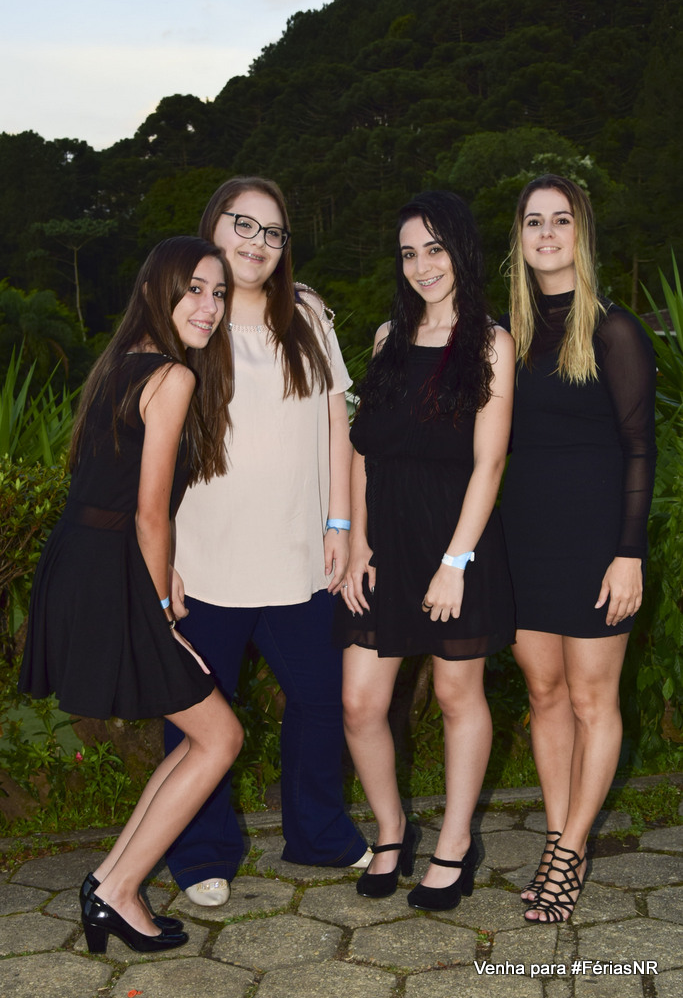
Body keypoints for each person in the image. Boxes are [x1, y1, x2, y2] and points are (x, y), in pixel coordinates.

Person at [19, 236, 244, 954]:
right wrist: (159, 613)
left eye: (218, 292)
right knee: (221, 737)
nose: (209, 306)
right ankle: (116, 889)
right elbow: (149, 511)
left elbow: (108, 489)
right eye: (194, 289)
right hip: (108, 574)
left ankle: (110, 883)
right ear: (156, 291)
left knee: (206, 734)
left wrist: (163, 573)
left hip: (84, 559)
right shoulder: (172, 377)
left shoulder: (119, 364)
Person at [164, 176, 370, 907]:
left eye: (272, 231)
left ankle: (318, 833)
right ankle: (200, 853)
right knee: (198, 712)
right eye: (242, 225)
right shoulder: (188, 316)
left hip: (299, 557)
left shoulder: (307, 316)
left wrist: (340, 524)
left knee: (320, 699)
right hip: (202, 560)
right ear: (213, 227)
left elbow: (337, 423)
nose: (257, 242)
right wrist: (163, 562)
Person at [338, 191, 515, 911]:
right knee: (359, 702)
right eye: (409, 253)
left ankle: (455, 841)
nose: (422, 266)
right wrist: (357, 543)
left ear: (461, 251)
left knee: (453, 694)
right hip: (385, 544)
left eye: (435, 250)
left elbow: (489, 463)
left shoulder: (490, 343)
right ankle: (391, 830)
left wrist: (455, 562)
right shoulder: (389, 336)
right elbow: (364, 450)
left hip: (454, 544)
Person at [499, 174, 657, 923]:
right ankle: (563, 835)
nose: (546, 233)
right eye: (533, 221)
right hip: (524, 538)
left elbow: (639, 448)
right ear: (520, 238)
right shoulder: (507, 334)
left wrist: (628, 553)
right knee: (544, 693)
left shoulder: (614, 330)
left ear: (580, 234)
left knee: (593, 699)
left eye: (560, 220)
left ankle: (567, 851)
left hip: (596, 541)